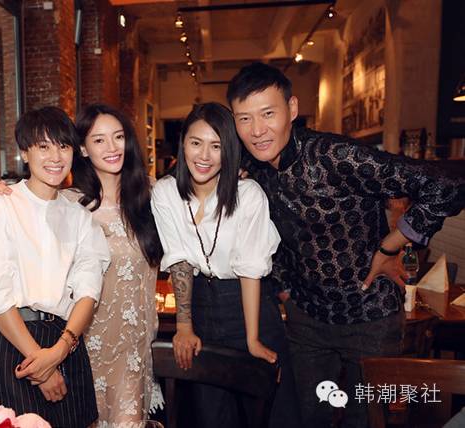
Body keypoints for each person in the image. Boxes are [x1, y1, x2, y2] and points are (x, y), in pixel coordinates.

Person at [227, 62, 465, 428]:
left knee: (366, 420)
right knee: (308, 419)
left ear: (292, 108)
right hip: (307, 321)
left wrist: (390, 246)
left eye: (268, 114)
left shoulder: (333, 156)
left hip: (370, 318)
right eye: (244, 119)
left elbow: (447, 185)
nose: (257, 130)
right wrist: (285, 287)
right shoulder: (252, 166)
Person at [0, 104, 165, 427]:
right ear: (83, 149)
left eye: (118, 137)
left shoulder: (153, 195)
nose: (112, 147)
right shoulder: (68, 203)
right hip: (80, 344)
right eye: (99, 140)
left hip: (130, 348)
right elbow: (26, 207)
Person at [0, 106, 111, 428]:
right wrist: (42, 366)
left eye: (63, 146)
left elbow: (88, 291)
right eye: (43, 146)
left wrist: (60, 351)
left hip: (65, 339)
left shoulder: (79, 218)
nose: (55, 157)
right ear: (25, 152)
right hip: (12, 341)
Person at [150, 102, 301, 428]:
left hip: (249, 305)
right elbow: (179, 260)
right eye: (196, 143)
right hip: (200, 306)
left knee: (274, 414)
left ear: (229, 150)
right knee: (212, 415)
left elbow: (250, 269)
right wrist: (185, 326)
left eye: (216, 146)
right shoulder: (166, 193)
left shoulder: (248, 194)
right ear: (183, 144)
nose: (204, 155)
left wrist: (252, 338)